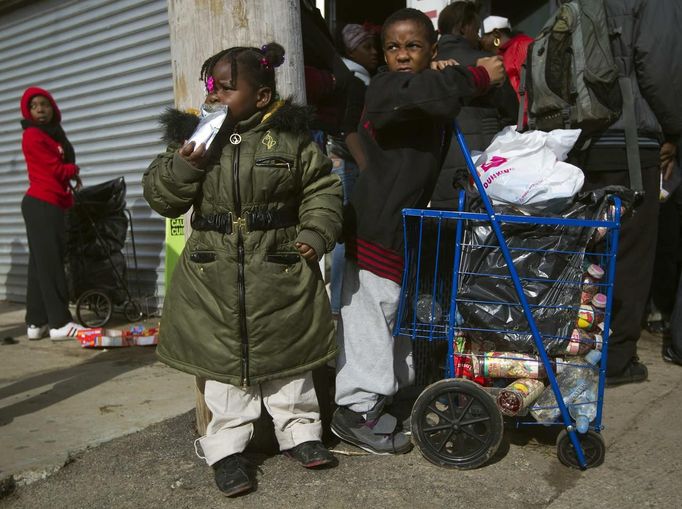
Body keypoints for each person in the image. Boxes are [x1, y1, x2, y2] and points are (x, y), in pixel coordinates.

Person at [142, 42, 343, 496]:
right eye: (211, 88)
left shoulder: (291, 140)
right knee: (223, 368)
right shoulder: (193, 137)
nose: (214, 97)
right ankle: (227, 452)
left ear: (262, 97)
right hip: (211, 275)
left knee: (290, 363)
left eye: (227, 89)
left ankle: (302, 435)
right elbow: (163, 196)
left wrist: (314, 235)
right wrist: (184, 165)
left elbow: (322, 190)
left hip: (280, 266)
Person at [331, 7, 505, 454]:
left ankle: (382, 396)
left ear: (432, 49)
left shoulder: (420, 83)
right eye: (393, 47)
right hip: (375, 227)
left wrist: (449, 73)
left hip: (397, 227)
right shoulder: (386, 90)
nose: (402, 55)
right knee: (371, 317)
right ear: (383, 56)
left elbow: (431, 95)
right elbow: (420, 96)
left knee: (391, 315)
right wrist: (477, 76)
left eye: (413, 47)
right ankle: (355, 412)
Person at [578, 0, 682, 385]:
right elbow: (659, 65)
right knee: (633, 253)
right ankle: (616, 359)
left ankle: (575, 347)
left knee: (586, 249)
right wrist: (675, 128)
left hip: (581, 136)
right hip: (632, 138)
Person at [431, 1, 518, 209]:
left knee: (445, 227)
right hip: (482, 160)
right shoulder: (488, 62)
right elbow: (511, 112)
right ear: (464, 27)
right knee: (479, 229)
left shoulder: (427, 66)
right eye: (476, 29)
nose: (478, 35)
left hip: (437, 163)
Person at [19, 87, 84, 341]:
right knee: (52, 264)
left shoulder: (53, 134)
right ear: (28, 112)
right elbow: (55, 169)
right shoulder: (33, 136)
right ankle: (59, 323)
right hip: (43, 205)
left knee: (39, 265)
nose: (40, 110)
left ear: (53, 108)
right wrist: (73, 169)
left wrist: (69, 171)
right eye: (34, 106)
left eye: (44, 105)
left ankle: (36, 323)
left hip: (48, 203)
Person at [327, 22, 379, 315]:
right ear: (351, 49)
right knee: (346, 235)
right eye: (367, 47)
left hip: (340, 161)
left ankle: (339, 303)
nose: (375, 53)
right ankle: (340, 305)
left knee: (342, 234)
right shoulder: (355, 81)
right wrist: (366, 165)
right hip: (346, 163)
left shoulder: (344, 77)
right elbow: (348, 127)